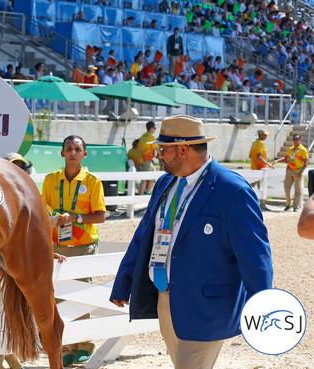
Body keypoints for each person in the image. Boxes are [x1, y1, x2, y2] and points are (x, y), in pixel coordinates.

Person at [110, 115, 273, 369]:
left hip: (207, 308)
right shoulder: (165, 183)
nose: (159, 155)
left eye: (162, 149)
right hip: (167, 302)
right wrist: (124, 281)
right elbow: (144, 235)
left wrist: (262, 306)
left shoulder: (233, 190)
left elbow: (256, 257)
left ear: (183, 149)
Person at [41, 135, 105, 366]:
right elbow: (43, 211)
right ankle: (67, 347)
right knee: (58, 296)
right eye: (68, 148)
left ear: (84, 154)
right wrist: (55, 218)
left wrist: (75, 217)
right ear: (62, 153)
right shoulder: (50, 180)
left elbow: (101, 216)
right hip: (57, 245)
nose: (72, 152)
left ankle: (85, 345)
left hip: (84, 245)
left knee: (81, 293)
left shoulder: (92, 180)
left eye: (77, 149)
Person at [276, 134, 309, 212]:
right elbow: (286, 159)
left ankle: (295, 206)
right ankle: (288, 204)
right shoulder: (291, 149)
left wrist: (301, 171)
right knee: (286, 188)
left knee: (298, 190)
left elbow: (306, 161)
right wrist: (277, 161)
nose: (296, 140)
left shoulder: (303, 149)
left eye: (297, 139)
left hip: (298, 171)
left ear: (300, 140)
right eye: (294, 139)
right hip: (290, 170)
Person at [249, 129, 275, 211]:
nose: (266, 136)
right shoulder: (261, 143)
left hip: (253, 168)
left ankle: (248, 203)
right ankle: (262, 205)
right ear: (260, 135)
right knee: (262, 188)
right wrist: (268, 164)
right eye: (265, 134)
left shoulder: (254, 142)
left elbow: (250, 155)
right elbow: (258, 156)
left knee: (251, 187)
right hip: (260, 168)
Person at [137, 121, 158, 195]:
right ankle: (141, 195)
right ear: (151, 128)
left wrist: (138, 160)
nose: (155, 129)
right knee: (145, 178)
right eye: (155, 128)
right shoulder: (151, 137)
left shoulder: (143, 136)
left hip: (143, 160)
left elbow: (137, 148)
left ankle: (148, 192)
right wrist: (161, 155)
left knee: (154, 175)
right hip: (147, 160)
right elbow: (157, 148)